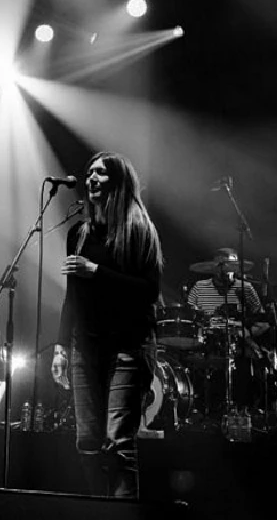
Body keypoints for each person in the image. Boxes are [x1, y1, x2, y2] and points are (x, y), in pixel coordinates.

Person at [51, 152, 163, 498]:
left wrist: (96, 272)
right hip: (85, 347)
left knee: (119, 442)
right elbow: (73, 296)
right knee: (86, 440)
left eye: (100, 173)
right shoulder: (79, 235)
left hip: (127, 347)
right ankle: (98, 508)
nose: (91, 178)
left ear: (118, 182)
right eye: (89, 173)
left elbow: (148, 291)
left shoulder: (139, 230)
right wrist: (59, 346)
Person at [187, 247, 270, 413]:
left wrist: (245, 333)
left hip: (238, 340)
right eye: (221, 267)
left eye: (230, 268)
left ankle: (245, 408)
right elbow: (189, 318)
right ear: (213, 268)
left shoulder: (245, 288)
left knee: (251, 362)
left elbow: (263, 322)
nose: (225, 271)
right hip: (207, 341)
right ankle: (197, 406)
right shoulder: (199, 287)